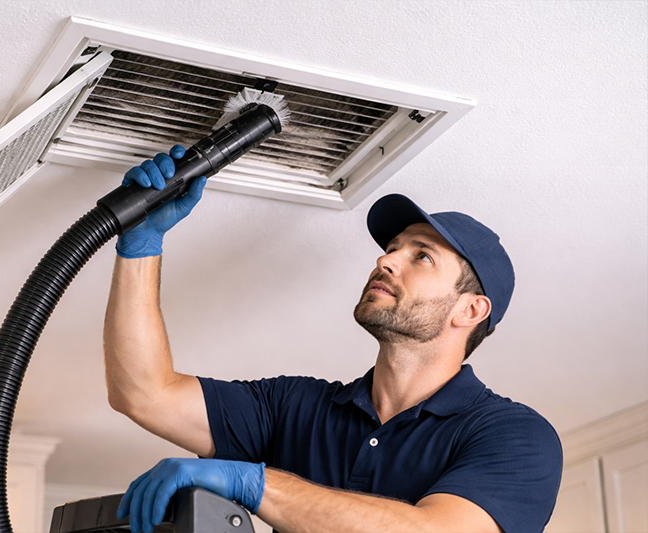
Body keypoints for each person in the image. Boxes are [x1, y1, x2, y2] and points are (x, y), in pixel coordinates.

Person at [103, 146, 563, 533]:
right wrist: (141, 243)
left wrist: (258, 484)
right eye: (392, 249)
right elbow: (144, 393)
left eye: (421, 256)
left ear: (470, 310)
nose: (386, 261)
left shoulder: (514, 435)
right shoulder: (294, 406)